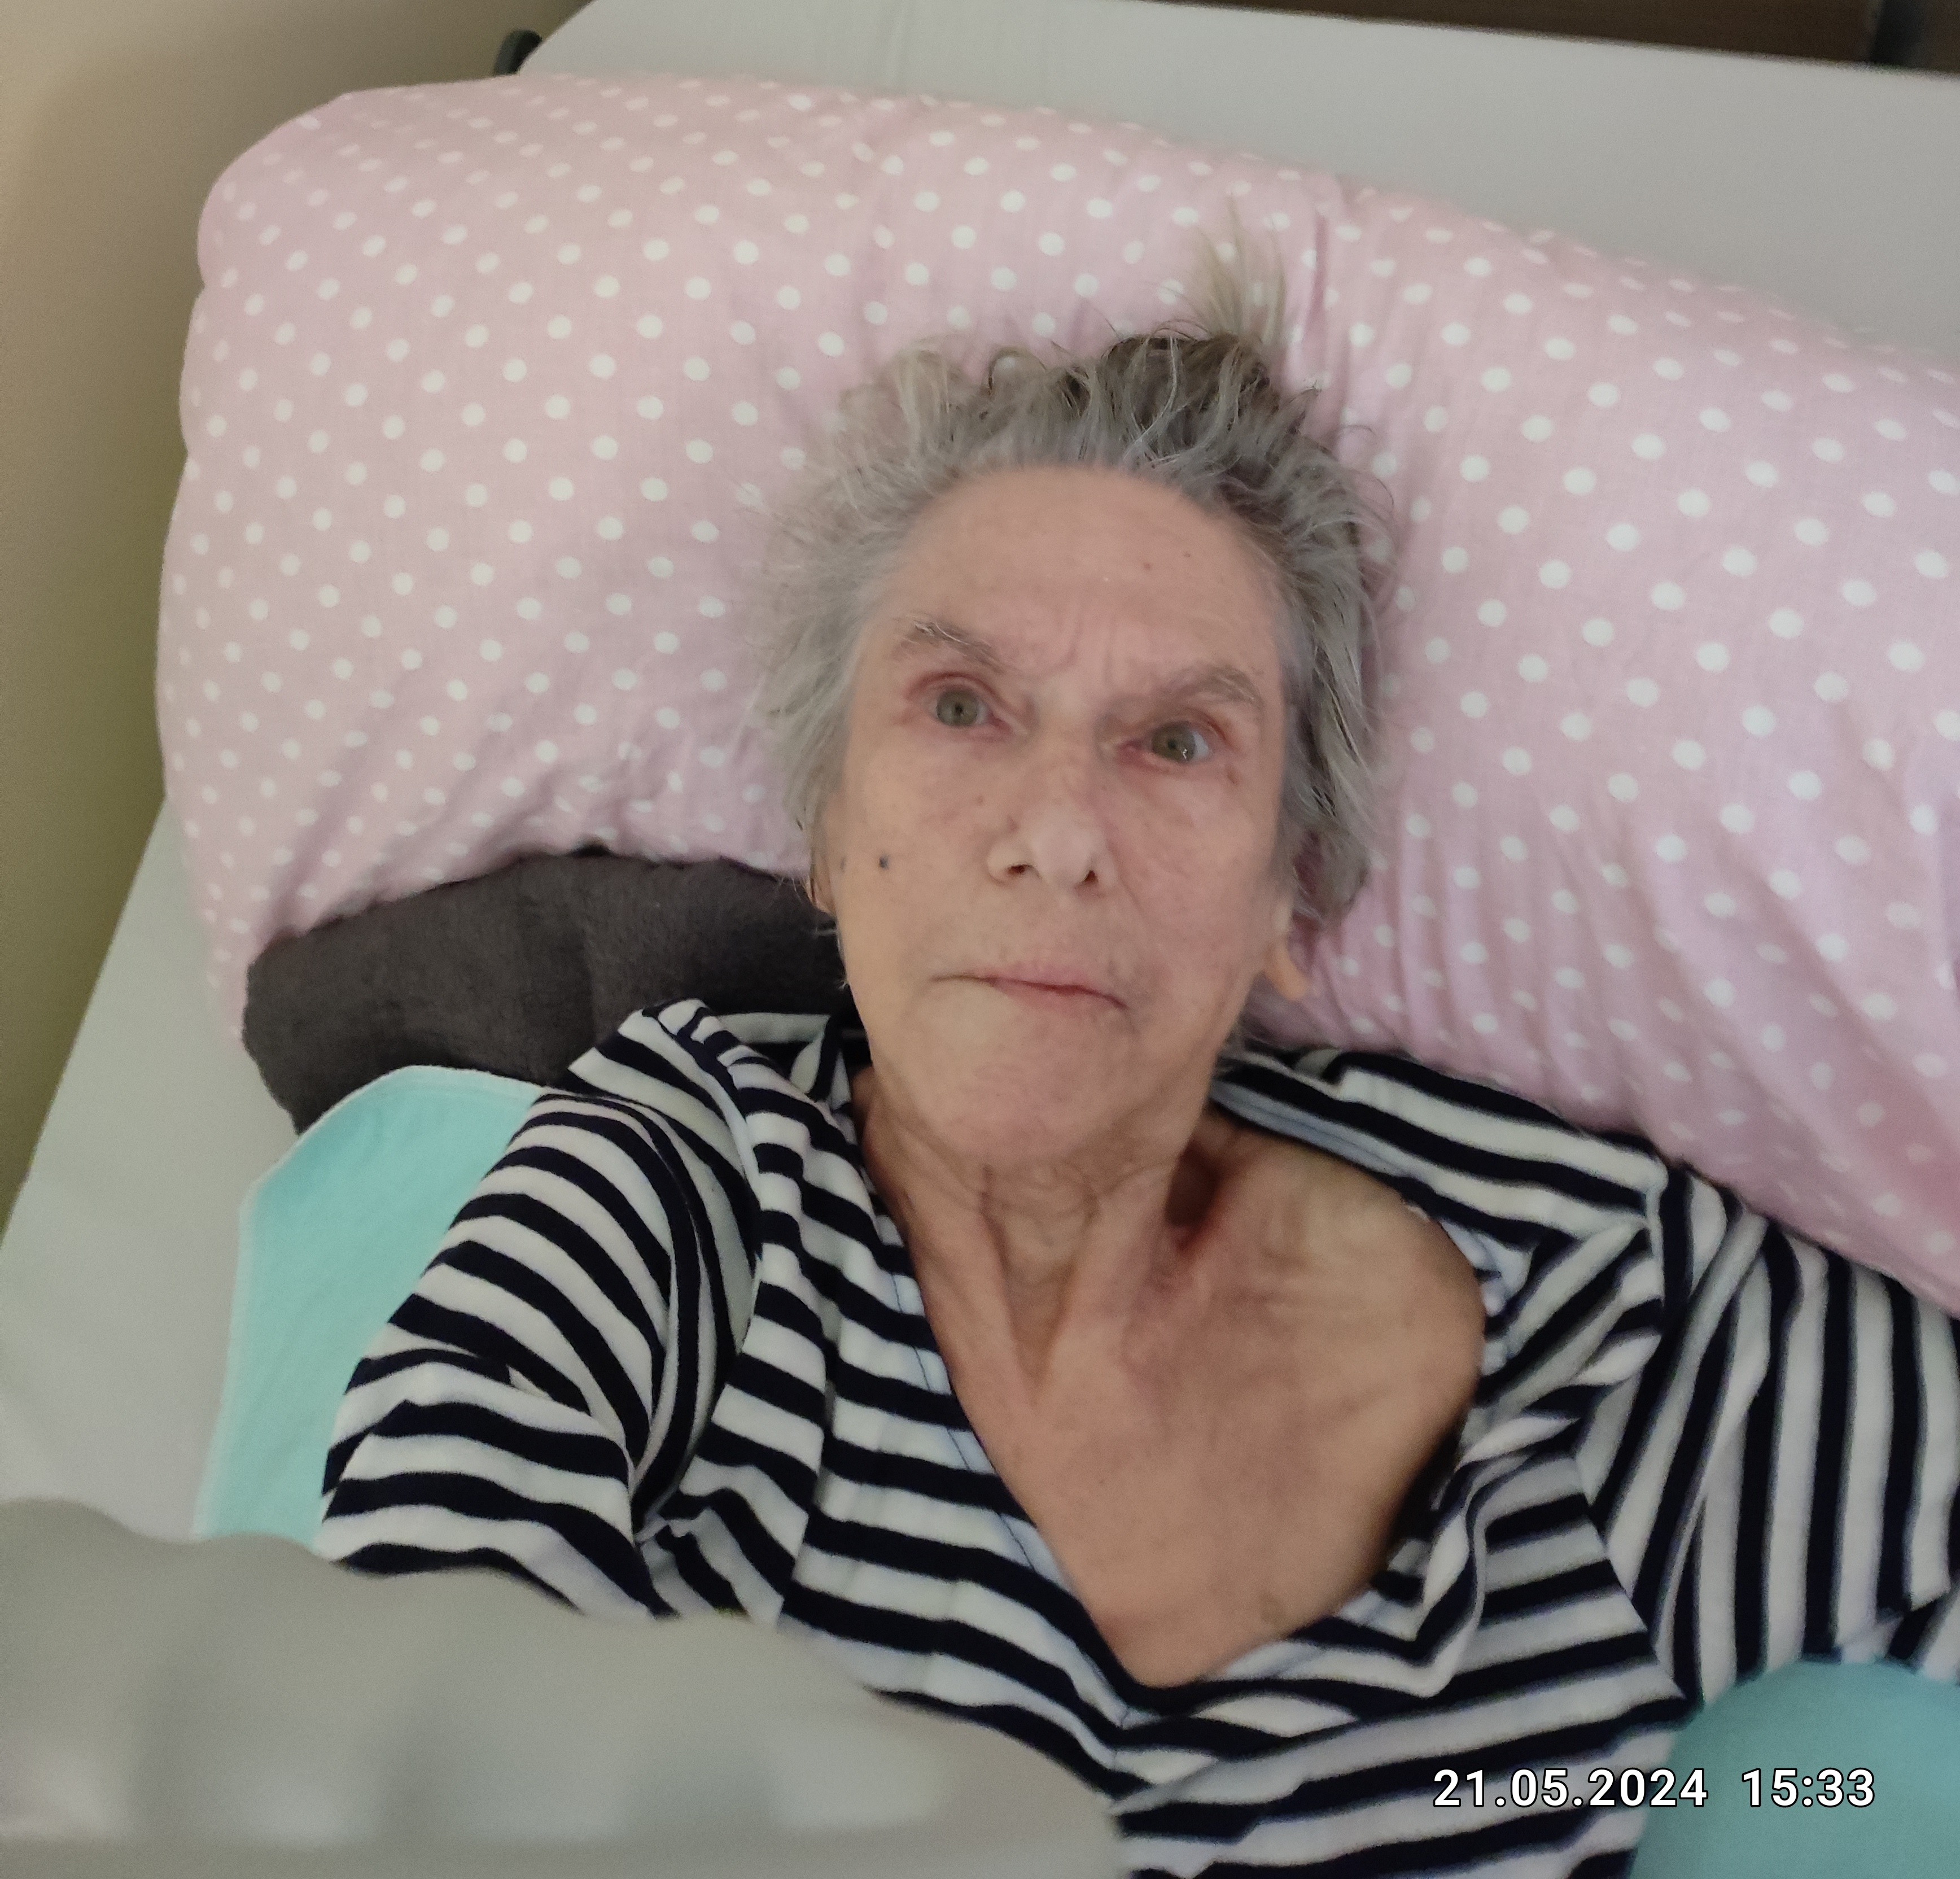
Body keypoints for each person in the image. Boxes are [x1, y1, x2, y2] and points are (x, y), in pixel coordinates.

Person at [317, 233, 1960, 1877]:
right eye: (960, 704)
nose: (1057, 830)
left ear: (1286, 897)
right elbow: (399, 1738)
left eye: (1177, 741)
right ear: (824, 830)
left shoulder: (1581, 1275)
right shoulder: (684, 1188)